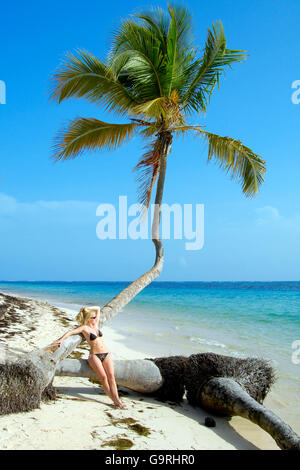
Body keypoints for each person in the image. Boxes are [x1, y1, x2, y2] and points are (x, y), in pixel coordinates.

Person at [52, 305, 126, 409]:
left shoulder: (96, 325)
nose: (95, 319)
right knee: (103, 377)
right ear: (88, 318)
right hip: (94, 356)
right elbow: (70, 332)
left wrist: (85, 308)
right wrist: (61, 340)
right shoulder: (84, 328)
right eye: (93, 317)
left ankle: (117, 399)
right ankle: (115, 401)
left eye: (95, 317)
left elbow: (98, 308)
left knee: (111, 377)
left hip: (106, 354)